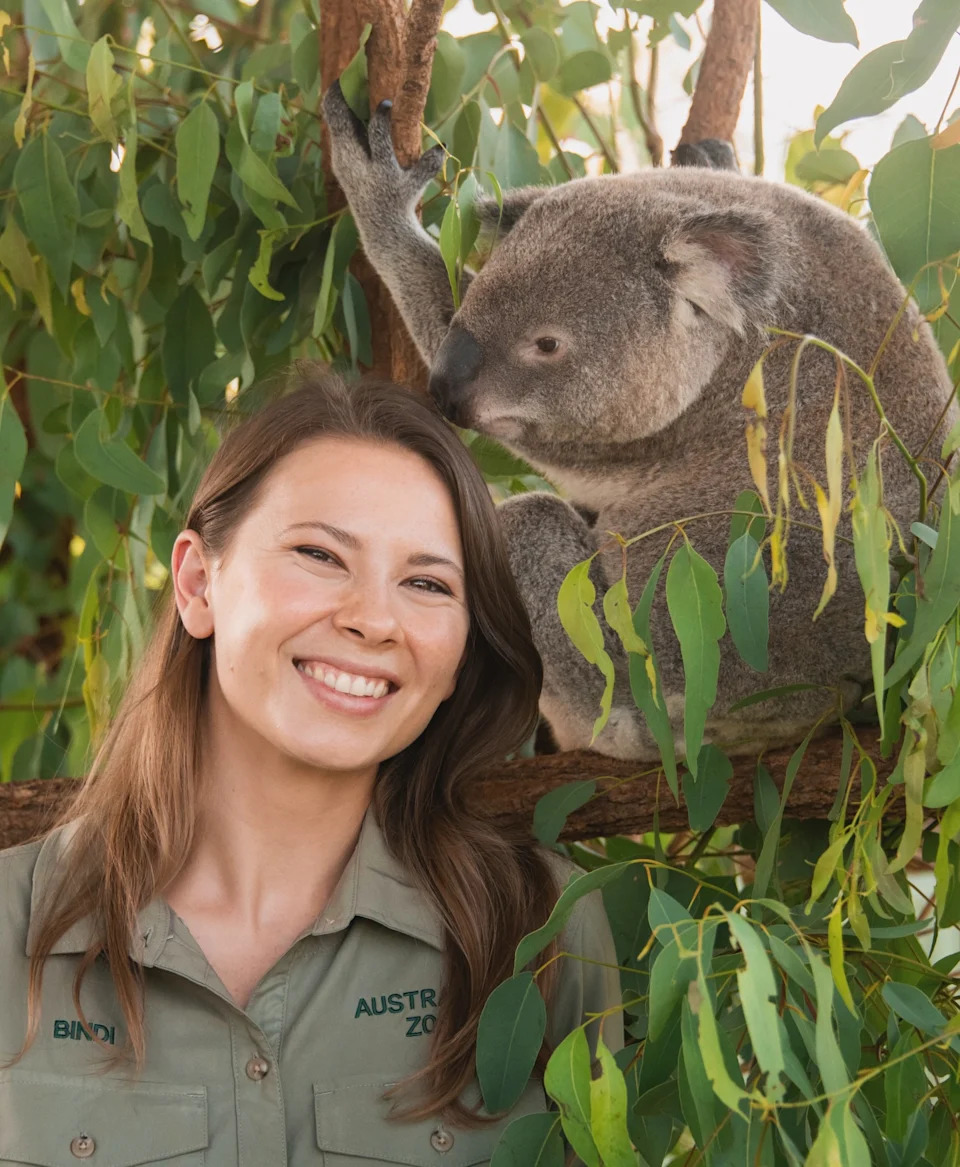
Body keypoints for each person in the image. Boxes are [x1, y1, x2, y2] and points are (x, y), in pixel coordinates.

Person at [0, 368, 622, 1166]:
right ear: (197, 582)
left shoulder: (544, 931)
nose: (371, 618)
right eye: (321, 554)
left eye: (427, 582)